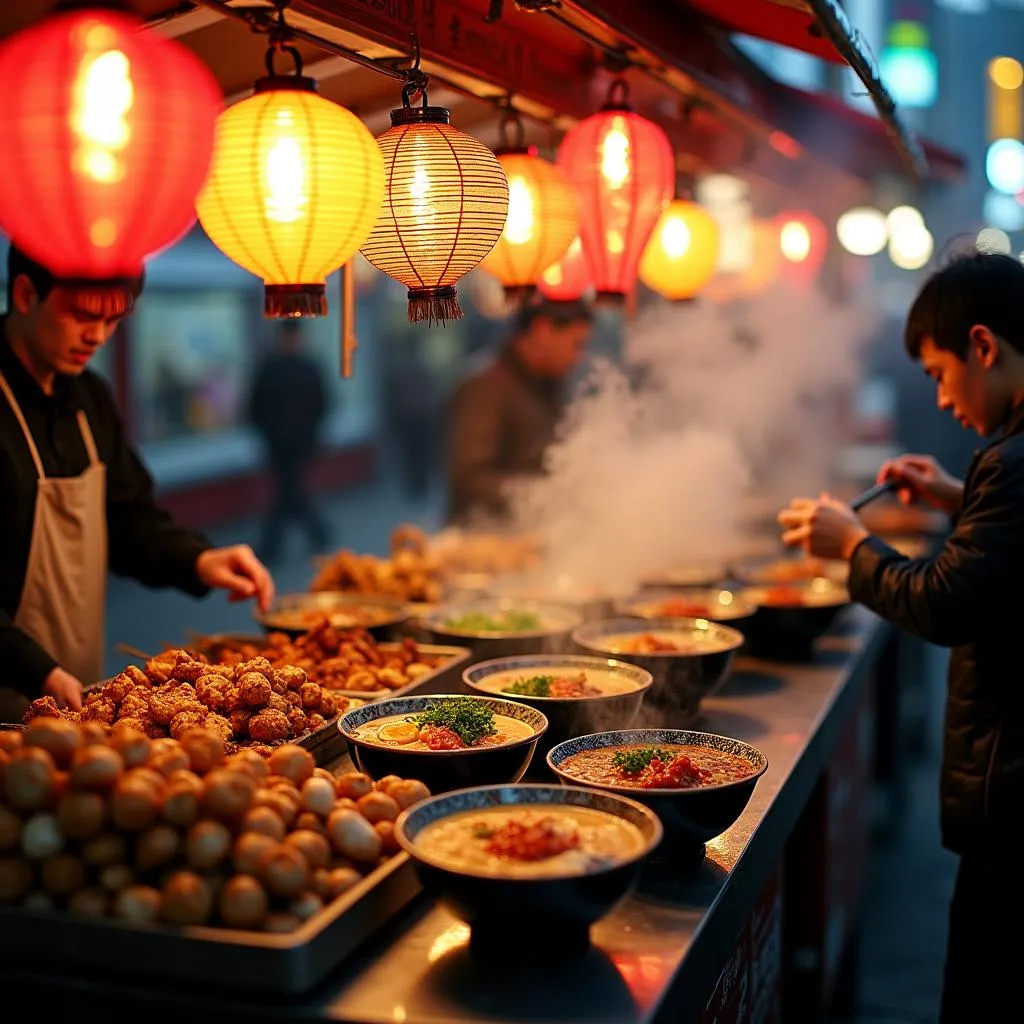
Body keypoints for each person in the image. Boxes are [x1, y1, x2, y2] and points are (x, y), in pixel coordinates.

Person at [776, 252, 1024, 1023]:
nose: (942, 399)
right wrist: (957, 496)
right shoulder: (1005, 460)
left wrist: (851, 545)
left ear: (982, 346)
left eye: (937, 372)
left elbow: (948, 602)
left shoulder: (1012, 460)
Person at [0, 245, 274, 718]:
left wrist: (198, 558)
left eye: (113, 322)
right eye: (84, 316)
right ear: (25, 294)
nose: (98, 336)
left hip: (73, 681)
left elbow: (127, 519)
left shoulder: (89, 395)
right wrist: (34, 669)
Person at [446, 299, 593, 523]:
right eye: (577, 344)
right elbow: (470, 478)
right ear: (542, 330)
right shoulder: (486, 386)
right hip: (482, 539)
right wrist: (543, 494)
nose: (578, 357)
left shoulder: (545, 384)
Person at [248, 320, 329, 562]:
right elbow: (256, 405)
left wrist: (312, 436)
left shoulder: (308, 367)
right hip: (277, 444)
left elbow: (322, 404)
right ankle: (318, 534)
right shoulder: (269, 368)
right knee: (290, 492)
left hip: (300, 444)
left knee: (288, 492)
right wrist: (266, 433)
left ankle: (273, 546)